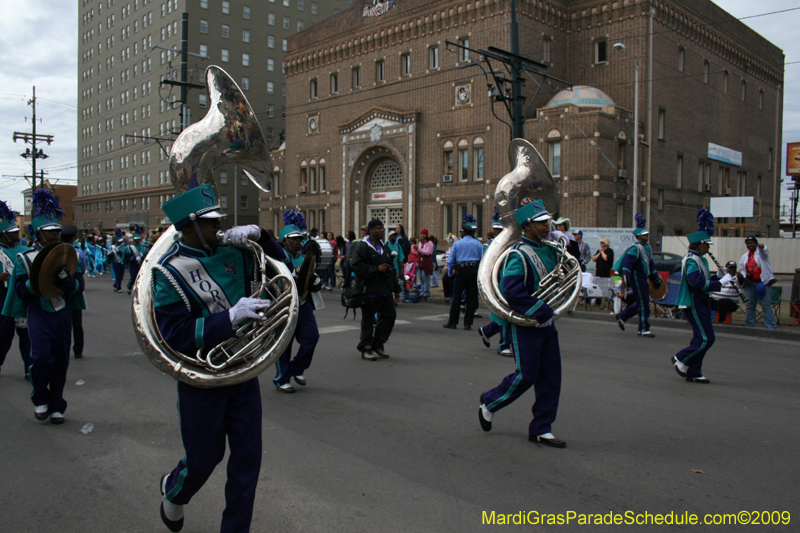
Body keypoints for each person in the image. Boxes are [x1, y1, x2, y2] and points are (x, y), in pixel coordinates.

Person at [153, 184, 274, 532]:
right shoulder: (170, 271)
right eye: (209, 223)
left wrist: (261, 236)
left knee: (247, 461)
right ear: (189, 227)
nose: (218, 228)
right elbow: (173, 335)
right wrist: (229, 318)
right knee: (204, 459)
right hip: (202, 378)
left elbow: (283, 270)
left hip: (242, 371)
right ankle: (174, 491)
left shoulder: (235, 252)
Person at [478, 200, 566, 448]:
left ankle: (541, 428)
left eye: (547, 221)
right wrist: (540, 309)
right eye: (541, 222)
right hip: (528, 322)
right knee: (527, 374)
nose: (547, 226)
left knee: (551, 377)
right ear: (527, 226)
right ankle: (490, 402)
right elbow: (513, 292)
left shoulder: (550, 250)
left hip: (546, 322)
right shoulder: (517, 255)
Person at [2, 190, 85, 424]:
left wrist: (67, 281)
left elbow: (78, 287)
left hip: (62, 313)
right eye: (49, 233)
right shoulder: (25, 259)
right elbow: (19, 291)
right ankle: (40, 396)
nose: (54, 236)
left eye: (57, 231)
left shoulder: (69, 256)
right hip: (39, 312)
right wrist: (37, 280)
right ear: (38, 235)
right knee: (40, 357)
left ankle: (57, 403)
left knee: (60, 360)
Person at [272, 211, 322, 393]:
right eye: (294, 239)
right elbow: (270, 283)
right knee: (284, 344)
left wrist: (316, 282)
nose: (299, 242)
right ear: (285, 241)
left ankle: (297, 368)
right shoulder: (275, 259)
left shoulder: (304, 257)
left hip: (302, 305)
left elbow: (312, 279)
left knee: (312, 337)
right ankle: (282, 378)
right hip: (284, 306)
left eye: (301, 238)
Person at [673, 210, 722, 384]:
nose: (708, 248)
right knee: (706, 338)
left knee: (700, 337)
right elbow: (697, 283)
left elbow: (705, 280)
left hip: (702, 300)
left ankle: (694, 372)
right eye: (707, 245)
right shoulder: (692, 260)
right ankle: (681, 358)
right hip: (694, 301)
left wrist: (720, 278)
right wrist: (718, 285)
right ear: (700, 245)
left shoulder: (701, 259)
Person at [351, 219, 400, 360]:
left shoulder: (384, 247)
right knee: (367, 320)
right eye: (378, 228)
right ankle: (366, 347)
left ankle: (378, 344)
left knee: (390, 316)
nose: (382, 230)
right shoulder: (362, 246)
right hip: (369, 291)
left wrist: (396, 289)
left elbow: (391, 268)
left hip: (385, 290)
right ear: (371, 230)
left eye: (382, 228)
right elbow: (356, 266)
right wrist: (376, 269)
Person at [614, 214, 661, 337]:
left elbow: (650, 263)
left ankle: (622, 316)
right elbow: (627, 263)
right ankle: (644, 328)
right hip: (636, 277)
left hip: (643, 277)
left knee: (642, 301)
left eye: (647, 234)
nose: (647, 236)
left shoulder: (648, 247)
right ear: (639, 236)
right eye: (645, 235)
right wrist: (628, 278)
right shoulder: (635, 248)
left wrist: (656, 277)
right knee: (644, 302)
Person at [0, 200, 32, 378]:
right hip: (2, 297)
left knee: (27, 336)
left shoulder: (25, 250)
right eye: (12, 233)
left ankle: (29, 368)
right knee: (3, 336)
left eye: (16, 231)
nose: (16, 234)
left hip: (21, 297)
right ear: (3, 235)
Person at [478, 208, 511, 356]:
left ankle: (487, 330)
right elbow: (486, 267)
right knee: (505, 314)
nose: (498, 232)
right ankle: (504, 345)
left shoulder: (510, 243)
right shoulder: (488, 246)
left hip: (508, 279)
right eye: (495, 229)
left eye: (500, 229)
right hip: (496, 282)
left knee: (508, 314)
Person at [443, 213, 483, 330]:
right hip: (474, 270)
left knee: (456, 296)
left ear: (464, 233)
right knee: (471, 297)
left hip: (461, 270)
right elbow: (482, 260)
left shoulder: (457, 244)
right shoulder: (478, 244)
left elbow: (451, 261)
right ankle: (468, 323)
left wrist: (450, 273)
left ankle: (453, 322)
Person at [60, 225, 87, 359]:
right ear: (73, 238)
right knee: (77, 322)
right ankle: (78, 349)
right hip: (75, 286)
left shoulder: (56, 251)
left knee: (62, 321)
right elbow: (83, 267)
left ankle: (62, 348)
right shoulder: (78, 253)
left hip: (59, 289)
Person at [738, 236, 777, 329]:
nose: (750, 245)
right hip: (750, 284)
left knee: (766, 305)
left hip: (763, 283)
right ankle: (750, 325)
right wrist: (745, 277)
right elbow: (742, 269)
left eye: (752, 243)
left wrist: (762, 247)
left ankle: (771, 327)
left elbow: (765, 252)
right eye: (748, 243)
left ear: (756, 243)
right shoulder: (744, 257)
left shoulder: (761, 254)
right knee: (750, 305)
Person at [416, 229, 434, 299]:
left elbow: (428, 252)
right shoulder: (420, 242)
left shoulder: (429, 243)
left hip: (426, 262)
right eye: (421, 234)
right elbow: (419, 252)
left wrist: (418, 250)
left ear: (426, 235)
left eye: (423, 234)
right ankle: (422, 291)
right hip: (421, 261)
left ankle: (427, 292)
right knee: (421, 277)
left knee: (425, 276)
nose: (422, 235)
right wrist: (418, 250)